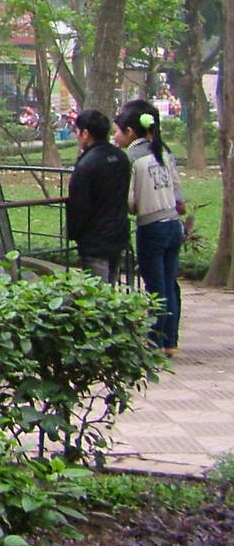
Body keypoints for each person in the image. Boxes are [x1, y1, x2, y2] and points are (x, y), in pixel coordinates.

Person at [114, 99, 186, 355]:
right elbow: (178, 194)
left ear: (131, 132)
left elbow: (131, 201)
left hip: (151, 227)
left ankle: (155, 341)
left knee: (156, 286)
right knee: (169, 283)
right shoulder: (164, 152)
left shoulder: (132, 159)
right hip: (173, 225)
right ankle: (171, 341)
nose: (115, 136)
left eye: (117, 131)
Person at [65, 108, 131, 282]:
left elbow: (79, 205)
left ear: (85, 134)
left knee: (97, 293)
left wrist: (74, 233)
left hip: (95, 241)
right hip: (118, 234)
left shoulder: (86, 165)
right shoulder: (120, 158)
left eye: (78, 132)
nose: (77, 136)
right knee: (111, 288)